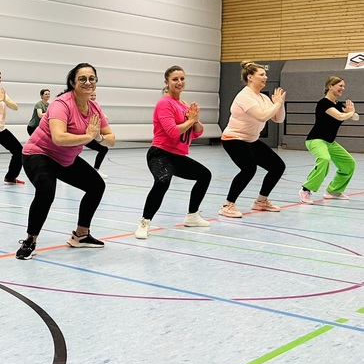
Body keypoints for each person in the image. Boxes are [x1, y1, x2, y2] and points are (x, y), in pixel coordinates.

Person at [16, 63, 116, 259]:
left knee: (96, 186)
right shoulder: (61, 104)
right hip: (38, 154)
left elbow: (110, 138)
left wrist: (98, 137)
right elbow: (59, 138)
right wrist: (88, 136)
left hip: (64, 159)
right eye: (82, 79)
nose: (88, 82)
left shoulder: (94, 108)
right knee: (46, 190)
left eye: (92, 79)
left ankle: (81, 235)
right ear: (72, 82)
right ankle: (30, 240)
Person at [134, 66, 212, 239]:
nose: (179, 82)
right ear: (167, 82)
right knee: (162, 182)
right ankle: (144, 222)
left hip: (177, 156)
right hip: (160, 153)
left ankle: (192, 216)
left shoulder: (184, 104)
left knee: (204, 175)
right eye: (175, 79)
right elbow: (172, 131)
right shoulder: (165, 103)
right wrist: (191, 120)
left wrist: (195, 120)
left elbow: (197, 132)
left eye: (182, 79)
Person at [219, 61, 286, 218]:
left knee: (277, 166)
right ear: (250, 77)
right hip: (233, 138)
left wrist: (280, 104)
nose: (265, 77)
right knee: (249, 169)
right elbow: (262, 116)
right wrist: (276, 104)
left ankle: (261, 201)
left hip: (251, 140)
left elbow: (278, 118)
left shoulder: (262, 97)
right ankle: (227, 205)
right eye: (261, 74)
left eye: (265, 74)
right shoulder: (244, 96)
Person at [300, 76, 357, 204]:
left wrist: (351, 112)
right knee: (324, 159)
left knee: (349, 163)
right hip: (315, 140)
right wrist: (349, 112)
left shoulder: (338, 104)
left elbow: (355, 118)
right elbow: (339, 116)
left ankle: (333, 191)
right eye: (340, 85)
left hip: (330, 142)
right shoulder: (323, 103)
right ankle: (305, 189)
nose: (343, 88)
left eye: (343, 86)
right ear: (330, 86)